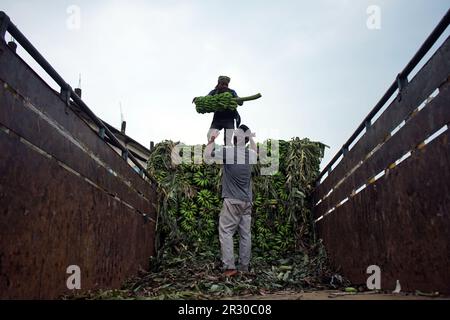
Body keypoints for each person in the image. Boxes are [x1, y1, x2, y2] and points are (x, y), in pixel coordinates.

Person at [204, 124, 257, 276]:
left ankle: (229, 267)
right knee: (245, 234)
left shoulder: (229, 152)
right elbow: (254, 150)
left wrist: (212, 139)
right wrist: (251, 137)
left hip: (232, 201)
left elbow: (207, 156)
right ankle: (244, 267)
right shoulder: (250, 155)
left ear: (234, 140)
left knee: (226, 231)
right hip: (247, 202)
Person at [207, 76, 243, 146]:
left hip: (229, 119)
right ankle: (211, 150)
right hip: (217, 119)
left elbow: (240, 103)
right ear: (218, 84)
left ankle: (227, 153)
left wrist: (238, 99)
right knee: (210, 135)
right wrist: (198, 100)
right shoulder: (214, 92)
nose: (225, 86)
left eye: (226, 85)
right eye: (222, 84)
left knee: (228, 139)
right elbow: (206, 99)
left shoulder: (231, 92)